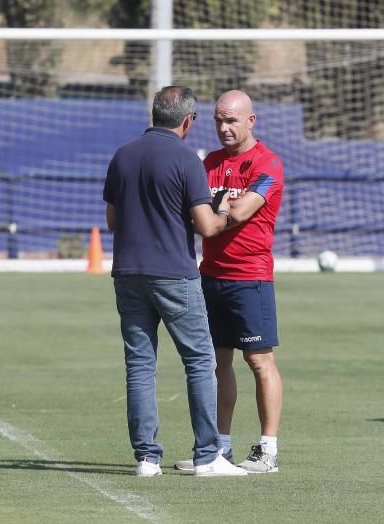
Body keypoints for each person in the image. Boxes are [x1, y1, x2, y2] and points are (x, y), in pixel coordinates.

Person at [104, 85, 246, 477]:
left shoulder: (123, 155)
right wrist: (226, 214)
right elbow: (206, 226)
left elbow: (113, 221)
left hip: (129, 274)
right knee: (200, 361)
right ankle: (207, 456)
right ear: (188, 121)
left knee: (140, 364)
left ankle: (147, 458)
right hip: (174, 273)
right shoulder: (187, 160)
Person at [174, 90, 285, 473]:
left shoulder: (268, 164)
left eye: (232, 120)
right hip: (210, 276)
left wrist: (216, 207)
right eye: (219, 120)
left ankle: (267, 449)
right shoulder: (209, 163)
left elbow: (239, 210)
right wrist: (213, 209)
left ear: (251, 121)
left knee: (259, 360)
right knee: (217, 363)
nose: (224, 127)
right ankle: (218, 448)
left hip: (250, 278)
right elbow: (194, 214)